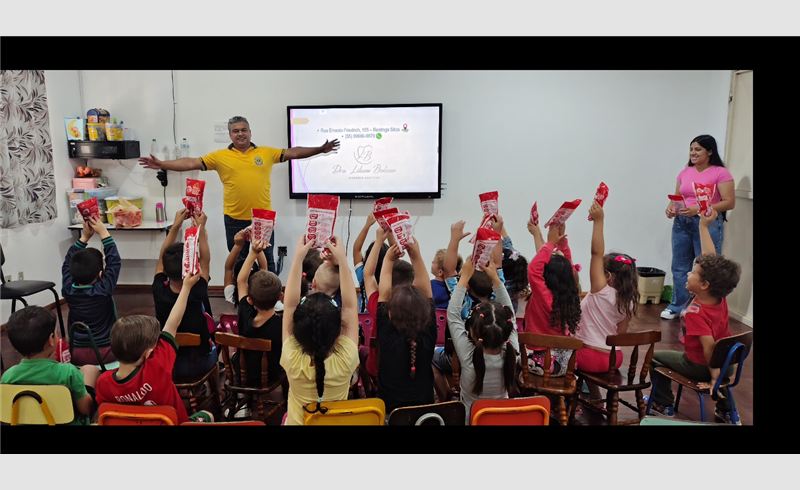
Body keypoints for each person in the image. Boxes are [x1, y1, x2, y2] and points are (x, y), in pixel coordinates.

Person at [137, 116, 340, 271]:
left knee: (266, 262)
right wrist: (162, 164)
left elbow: (293, 152)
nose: (240, 134)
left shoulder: (266, 153)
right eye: (235, 131)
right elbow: (191, 162)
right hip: (234, 220)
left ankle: (269, 299)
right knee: (239, 263)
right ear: (230, 135)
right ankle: (242, 299)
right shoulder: (220, 157)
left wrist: (319, 149)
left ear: (250, 132)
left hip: (262, 220)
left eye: (244, 130)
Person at [646, 208, 743, 424]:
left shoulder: (694, 313)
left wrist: (714, 377)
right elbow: (710, 258)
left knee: (655, 358)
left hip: (703, 365)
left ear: (705, 284)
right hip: (729, 362)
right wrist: (703, 226)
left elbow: (709, 351)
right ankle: (727, 411)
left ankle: (663, 405)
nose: (688, 274)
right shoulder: (719, 297)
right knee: (714, 361)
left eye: (693, 273)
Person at [95, 269, 213, 424]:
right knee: (207, 415)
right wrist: (186, 287)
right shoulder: (157, 367)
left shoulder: (103, 383)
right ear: (149, 353)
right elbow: (172, 323)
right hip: (174, 423)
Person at [280, 233, 359, 425]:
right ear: (339, 329)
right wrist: (342, 260)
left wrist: (298, 257)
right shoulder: (347, 357)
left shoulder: (291, 356)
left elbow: (289, 305)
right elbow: (349, 306)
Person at [662, 134, 735, 320]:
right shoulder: (685, 172)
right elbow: (678, 197)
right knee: (679, 267)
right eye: (691, 149)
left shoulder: (720, 173)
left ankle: (705, 309)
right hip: (682, 222)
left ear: (709, 151)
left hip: (707, 222)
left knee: (707, 268)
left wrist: (701, 208)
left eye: (698, 149)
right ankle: (678, 307)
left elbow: (729, 202)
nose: (693, 153)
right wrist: (671, 208)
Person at [574, 201, 640, 400]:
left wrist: (598, 221)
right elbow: (620, 333)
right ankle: (596, 399)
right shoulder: (627, 301)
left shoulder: (601, 291)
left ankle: (566, 399)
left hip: (588, 358)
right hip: (614, 359)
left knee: (559, 347)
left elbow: (596, 253)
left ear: (608, 276)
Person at [447, 254, 519, 423]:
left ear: (473, 333)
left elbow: (453, 316)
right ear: (507, 331)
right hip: (502, 422)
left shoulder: (469, 357)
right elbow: (511, 314)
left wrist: (463, 278)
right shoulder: (512, 352)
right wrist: (495, 278)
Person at [2, 306, 100, 425]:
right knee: (90, 370)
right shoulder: (68, 372)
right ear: (51, 339)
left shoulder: (8, 376)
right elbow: (86, 409)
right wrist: (91, 392)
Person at [152, 209, 218, 381]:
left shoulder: (159, 291)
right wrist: (201, 228)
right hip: (200, 363)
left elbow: (161, 260)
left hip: (169, 363)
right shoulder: (197, 292)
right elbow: (206, 259)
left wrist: (175, 226)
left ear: (165, 270)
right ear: (192, 267)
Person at [376, 237, 437, 417]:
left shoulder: (387, 337)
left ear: (389, 315)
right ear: (426, 314)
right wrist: (416, 255)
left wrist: (388, 259)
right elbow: (427, 291)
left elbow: (384, 293)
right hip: (425, 416)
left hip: (391, 416)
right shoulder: (428, 334)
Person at [523, 220, 582, 377]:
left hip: (546, 363)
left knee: (514, 361)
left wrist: (550, 243)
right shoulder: (571, 294)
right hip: (567, 362)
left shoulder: (545, 297)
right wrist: (563, 245)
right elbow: (569, 269)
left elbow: (534, 269)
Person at [61, 216, 121, 366]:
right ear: (101, 274)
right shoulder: (103, 289)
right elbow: (114, 262)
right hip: (106, 352)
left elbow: (68, 261)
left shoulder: (68, 289)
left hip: (75, 353)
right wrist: (104, 233)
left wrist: (85, 237)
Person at [234, 239, 284, 387]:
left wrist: (253, 252)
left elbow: (241, 281)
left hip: (242, 370)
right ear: (280, 297)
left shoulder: (245, 310)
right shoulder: (282, 323)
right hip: (271, 372)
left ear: (250, 300)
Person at [353, 212, 389, 313]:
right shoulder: (390, 278)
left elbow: (356, 249)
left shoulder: (363, 275)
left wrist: (367, 225)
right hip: (383, 323)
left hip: (364, 324)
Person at [223, 228, 267, 309]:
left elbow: (228, 268)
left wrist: (237, 245)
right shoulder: (261, 295)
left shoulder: (230, 293)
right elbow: (264, 267)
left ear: (233, 277)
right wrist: (255, 243)